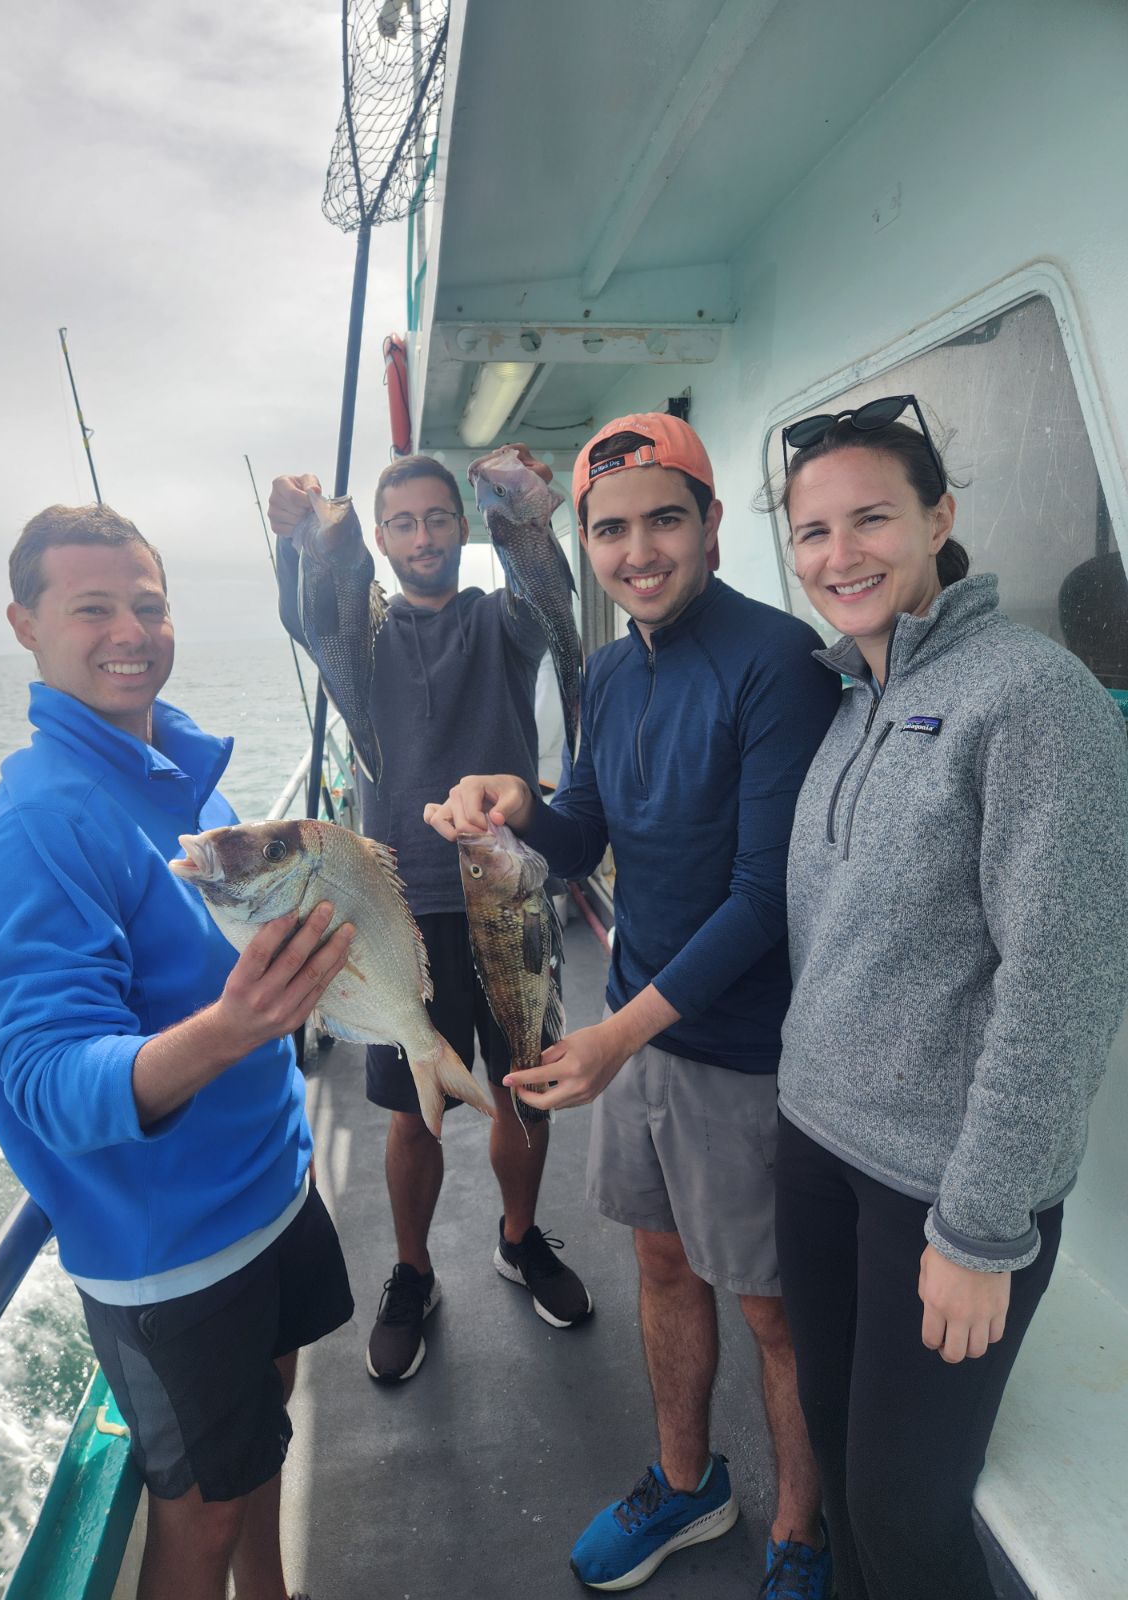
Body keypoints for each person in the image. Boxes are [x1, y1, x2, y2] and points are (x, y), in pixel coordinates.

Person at [425, 413, 841, 1597]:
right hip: (642, 1025)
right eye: (611, 529)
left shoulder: (777, 662)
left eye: (666, 518)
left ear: (713, 525)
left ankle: (802, 1530)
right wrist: (515, 805)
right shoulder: (608, 670)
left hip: (742, 1049)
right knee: (661, 1266)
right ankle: (687, 1480)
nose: (638, 550)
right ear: (588, 543)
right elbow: (584, 838)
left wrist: (613, 1033)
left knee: (771, 1310)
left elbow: (767, 898)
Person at [0, 504, 357, 1600]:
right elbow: (47, 1083)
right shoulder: (32, 831)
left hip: (274, 1189)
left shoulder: (178, 772)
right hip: (174, 1258)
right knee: (201, 1511)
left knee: (264, 1445)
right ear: (24, 624)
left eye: (148, 603)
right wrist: (233, 1028)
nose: (130, 630)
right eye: (93, 608)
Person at [767, 395, 1128, 1599]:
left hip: (942, 1187)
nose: (839, 555)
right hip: (816, 1145)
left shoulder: (1033, 697)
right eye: (813, 532)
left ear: (939, 520)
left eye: (871, 517)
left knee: (906, 1515)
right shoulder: (851, 698)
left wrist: (981, 1227)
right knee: (834, 1444)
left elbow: (1063, 985)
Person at [268, 455, 592, 1386]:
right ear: (378, 537)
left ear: (464, 527)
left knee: (525, 1090)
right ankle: (413, 1273)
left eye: (439, 518)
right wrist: (296, 538)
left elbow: (544, 598)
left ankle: (519, 1240)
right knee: (415, 1113)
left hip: (509, 896)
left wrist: (535, 511)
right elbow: (307, 612)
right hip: (396, 915)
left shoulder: (501, 624)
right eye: (402, 522)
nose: (423, 536)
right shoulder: (357, 641)